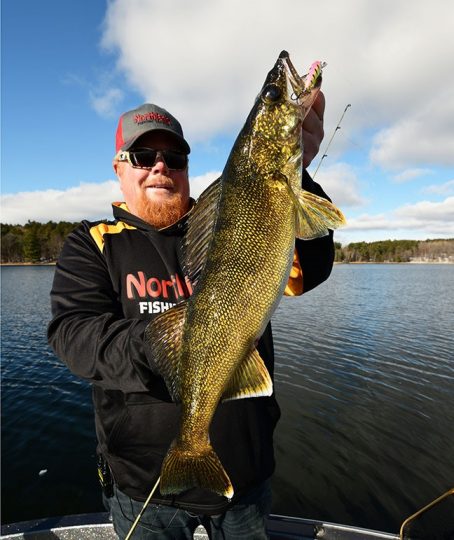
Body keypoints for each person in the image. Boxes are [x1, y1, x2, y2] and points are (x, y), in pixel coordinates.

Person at [48, 96, 334, 539]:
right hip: (144, 487)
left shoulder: (232, 219)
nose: (161, 167)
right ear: (119, 168)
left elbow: (311, 269)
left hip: (245, 482)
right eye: (144, 156)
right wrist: (166, 340)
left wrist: (299, 175)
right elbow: (75, 337)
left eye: (174, 157)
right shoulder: (92, 244)